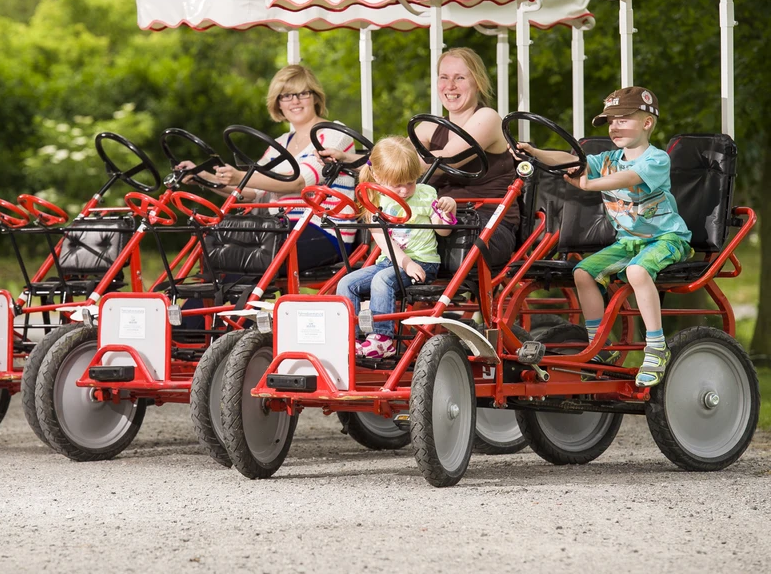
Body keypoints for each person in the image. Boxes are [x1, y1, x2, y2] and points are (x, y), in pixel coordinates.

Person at [514, 86, 692, 387]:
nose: (615, 126)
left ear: (647, 123)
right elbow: (572, 161)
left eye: (623, 119)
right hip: (627, 241)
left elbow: (629, 178)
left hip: (666, 239)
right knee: (583, 272)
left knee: (637, 270)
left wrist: (589, 185)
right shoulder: (608, 158)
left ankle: (656, 346)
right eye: (611, 121)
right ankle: (599, 345)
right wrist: (535, 151)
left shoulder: (656, 159)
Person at [321, 47, 519, 267]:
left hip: (486, 223)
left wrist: (392, 165)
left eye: (460, 78)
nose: (450, 86)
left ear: (477, 82)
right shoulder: (429, 127)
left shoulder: (488, 118)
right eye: (444, 77)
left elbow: (446, 160)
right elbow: (391, 160)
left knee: (407, 229)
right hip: (435, 222)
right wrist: (345, 159)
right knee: (386, 223)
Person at [176, 64, 356, 269]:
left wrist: (239, 177)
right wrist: (204, 176)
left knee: (243, 255)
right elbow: (251, 191)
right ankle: (199, 301)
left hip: (324, 231)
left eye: (302, 93)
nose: (295, 101)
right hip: (278, 229)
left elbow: (298, 182)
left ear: (315, 97)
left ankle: (239, 301)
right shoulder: (280, 144)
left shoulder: (334, 133)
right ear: (278, 103)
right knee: (217, 248)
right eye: (286, 96)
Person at [336, 136, 457, 359]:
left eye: (410, 183)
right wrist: (404, 262)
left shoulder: (425, 194)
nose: (403, 191)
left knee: (381, 280)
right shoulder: (374, 199)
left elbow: (443, 231)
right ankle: (350, 338)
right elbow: (383, 240)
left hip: (422, 263)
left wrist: (448, 211)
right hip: (393, 262)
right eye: (396, 185)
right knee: (347, 282)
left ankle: (383, 340)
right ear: (377, 176)